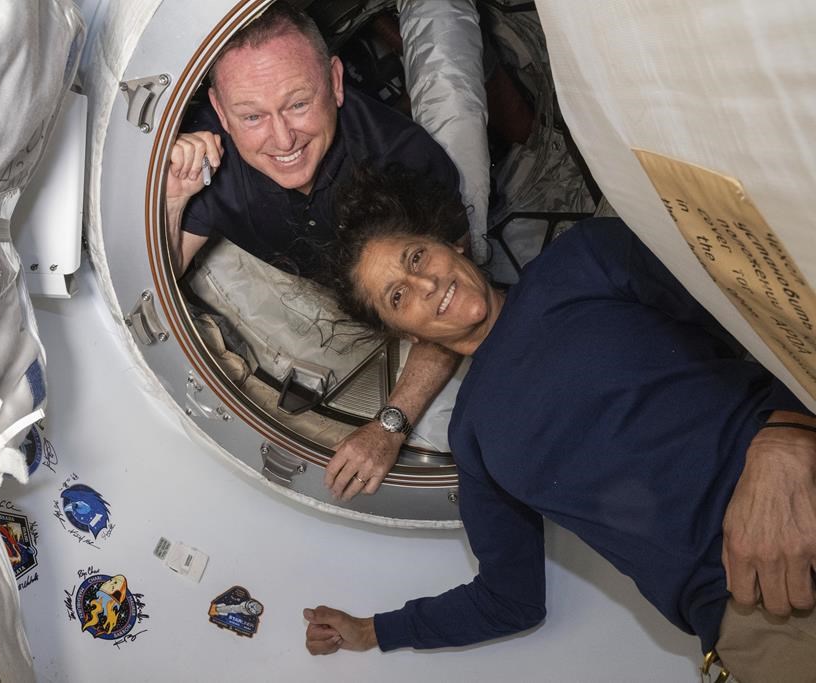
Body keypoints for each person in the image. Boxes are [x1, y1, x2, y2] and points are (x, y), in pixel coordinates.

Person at [302, 167, 816, 682]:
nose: (426, 283)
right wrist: (373, 631)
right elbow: (509, 600)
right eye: (398, 296)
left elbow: (770, 310)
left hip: (800, 486)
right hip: (756, 614)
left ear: (450, 244)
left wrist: (788, 436)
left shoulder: (583, 258)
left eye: (417, 257)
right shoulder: (474, 438)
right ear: (403, 333)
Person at [165, 2, 467, 500]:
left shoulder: (405, 161)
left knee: (453, 99)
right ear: (220, 111)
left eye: (299, 104)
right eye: (252, 115)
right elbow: (164, 269)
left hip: (409, 271)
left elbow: (456, 305)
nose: (282, 138)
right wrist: (175, 198)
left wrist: (389, 426)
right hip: (323, 282)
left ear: (335, 81)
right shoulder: (209, 155)